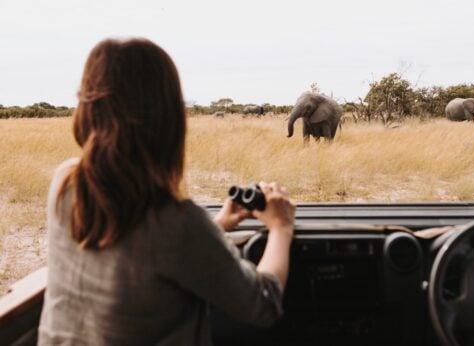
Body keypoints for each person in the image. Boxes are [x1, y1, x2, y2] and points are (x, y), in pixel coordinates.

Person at [37, 38, 296, 345]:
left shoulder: (65, 181)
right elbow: (261, 305)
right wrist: (281, 227)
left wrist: (218, 225)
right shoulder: (175, 222)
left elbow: (136, 255)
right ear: (168, 119)